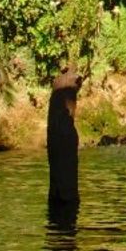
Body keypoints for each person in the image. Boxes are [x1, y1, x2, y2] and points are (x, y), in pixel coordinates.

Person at [46, 69, 83, 208]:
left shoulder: (59, 91)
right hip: (63, 137)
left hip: (61, 138)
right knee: (65, 194)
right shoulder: (64, 92)